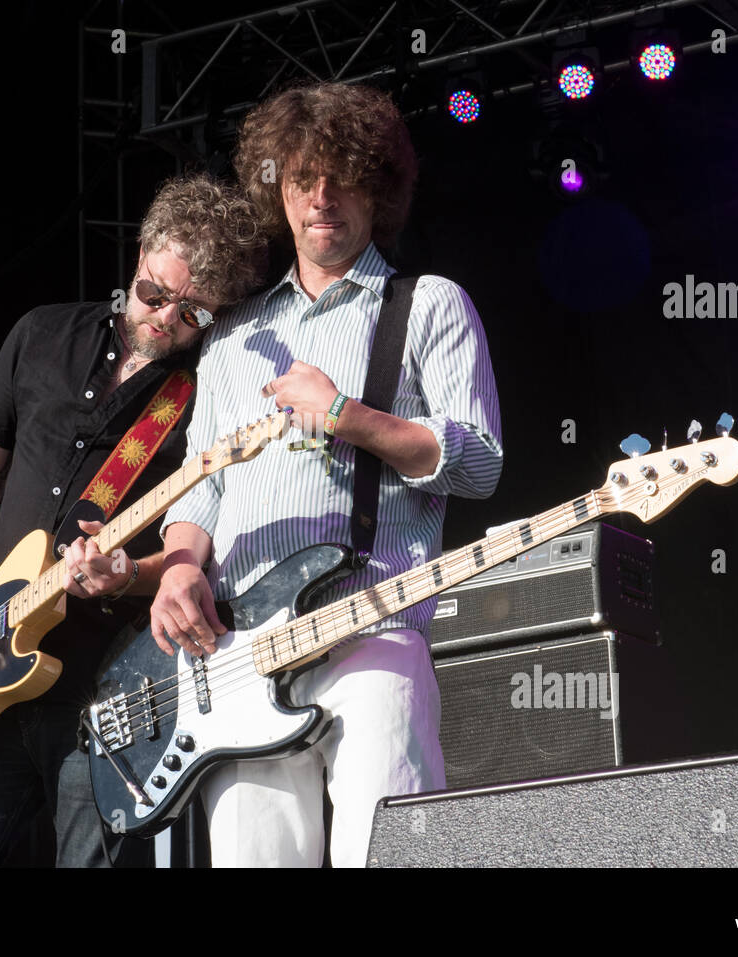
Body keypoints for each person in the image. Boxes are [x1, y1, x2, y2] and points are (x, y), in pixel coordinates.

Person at [151, 82, 504, 867]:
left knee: (387, 857)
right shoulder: (234, 336)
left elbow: (479, 461)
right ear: (275, 187)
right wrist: (178, 568)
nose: (321, 197)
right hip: (239, 658)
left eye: (343, 175)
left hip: (372, 631)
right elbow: (199, 487)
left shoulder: (429, 305)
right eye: (301, 176)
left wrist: (345, 413)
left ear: (378, 187)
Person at [0, 173, 266, 867]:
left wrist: (129, 575)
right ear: (137, 259)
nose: (165, 318)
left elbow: (208, 552)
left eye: (192, 313)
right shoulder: (40, 332)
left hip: (110, 691)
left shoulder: (209, 393)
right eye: (154, 294)